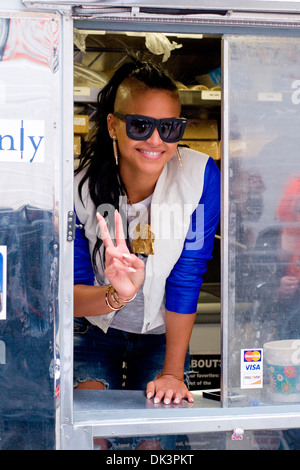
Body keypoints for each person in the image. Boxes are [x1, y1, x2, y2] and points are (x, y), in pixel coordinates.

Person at [73, 57, 220, 410]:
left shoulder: (199, 178)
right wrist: (116, 295)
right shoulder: (79, 188)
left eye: (170, 127)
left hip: (161, 335)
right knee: (92, 431)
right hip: (93, 331)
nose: (156, 140)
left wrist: (172, 373)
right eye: (140, 125)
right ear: (113, 125)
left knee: (154, 440)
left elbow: (188, 274)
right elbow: (70, 295)